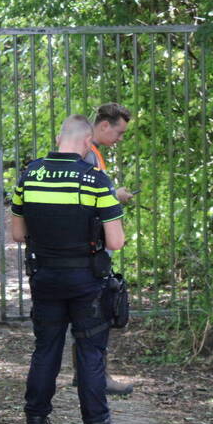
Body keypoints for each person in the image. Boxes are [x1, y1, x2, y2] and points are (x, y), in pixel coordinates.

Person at [10, 114, 129, 424]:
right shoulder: (95, 180)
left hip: (45, 277)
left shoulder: (29, 175)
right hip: (86, 282)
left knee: (45, 350)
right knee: (90, 354)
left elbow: (18, 234)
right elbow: (116, 242)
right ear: (87, 141)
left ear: (60, 137)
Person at [78, 102, 134, 396]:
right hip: (93, 245)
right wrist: (116, 195)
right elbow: (85, 194)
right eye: (119, 132)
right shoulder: (88, 154)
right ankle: (96, 377)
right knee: (96, 313)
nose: (120, 139)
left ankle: (89, 373)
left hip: (90, 243)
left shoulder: (90, 151)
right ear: (103, 125)